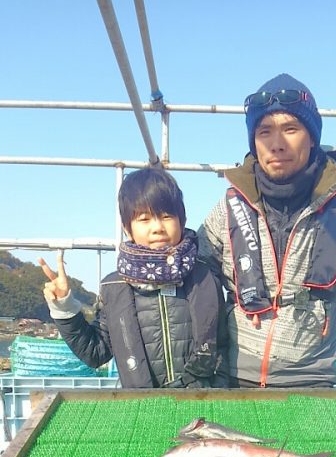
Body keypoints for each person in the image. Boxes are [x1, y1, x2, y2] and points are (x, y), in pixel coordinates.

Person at [196, 73, 336, 402]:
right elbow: (193, 281)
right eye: (264, 131)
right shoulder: (227, 207)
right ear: (253, 142)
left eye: (291, 129)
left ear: (312, 137)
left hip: (312, 382)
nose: (277, 143)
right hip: (231, 379)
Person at [39, 167, 229, 389]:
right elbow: (95, 353)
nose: (157, 227)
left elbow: (224, 346)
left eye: (167, 216)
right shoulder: (114, 287)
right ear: (127, 228)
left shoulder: (204, 276)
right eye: (144, 219)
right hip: (143, 407)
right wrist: (65, 308)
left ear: (182, 219)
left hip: (202, 402)